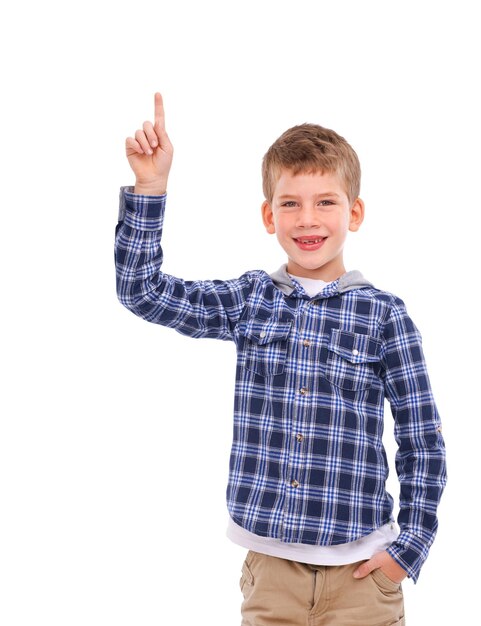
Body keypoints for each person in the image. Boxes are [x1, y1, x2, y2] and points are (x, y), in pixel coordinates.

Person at [115, 93, 446, 625]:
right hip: (271, 574)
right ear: (269, 216)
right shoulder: (252, 300)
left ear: (354, 212)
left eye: (326, 202)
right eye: (290, 203)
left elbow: (422, 441)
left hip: (365, 576)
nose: (307, 218)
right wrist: (151, 187)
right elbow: (143, 292)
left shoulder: (385, 317)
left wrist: (409, 549)